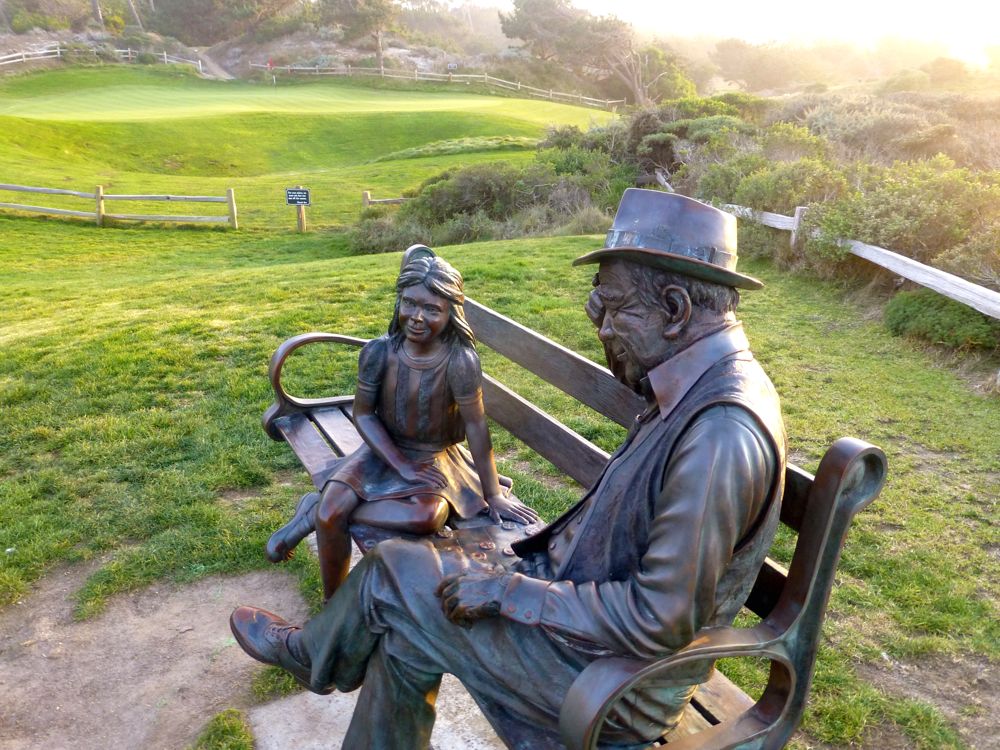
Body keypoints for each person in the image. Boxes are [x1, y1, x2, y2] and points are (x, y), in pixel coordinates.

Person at [231, 190, 788, 748]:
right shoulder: (699, 377)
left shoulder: (722, 433)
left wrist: (509, 593)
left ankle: (312, 655)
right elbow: (644, 395)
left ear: (676, 309)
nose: (607, 325)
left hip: (614, 682)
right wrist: (612, 326)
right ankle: (329, 668)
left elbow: (660, 617)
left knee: (391, 575)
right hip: (583, 612)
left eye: (615, 307)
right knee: (406, 630)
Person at [266, 247, 539, 600]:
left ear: (451, 312)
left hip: (435, 456)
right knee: (332, 514)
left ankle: (313, 509)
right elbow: (364, 414)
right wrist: (401, 465)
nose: (417, 317)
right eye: (410, 303)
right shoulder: (380, 352)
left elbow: (476, 427)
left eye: (432, 309)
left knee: (426, 517)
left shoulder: (459, 360)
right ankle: (333, 600)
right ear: (398, 302)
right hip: (383, 449)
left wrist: (492, 494)